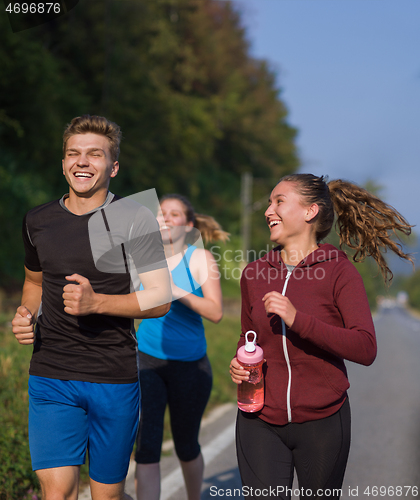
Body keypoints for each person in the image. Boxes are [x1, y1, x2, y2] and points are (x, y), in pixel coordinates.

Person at [11, 114, 172, 500]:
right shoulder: (38, 220)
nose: (82, 161)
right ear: (63, 162)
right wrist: (26, 315)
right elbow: (34, 282)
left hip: (112, 376)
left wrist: (96, 302)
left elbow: (161, 298)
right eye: (74, 153)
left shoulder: (135, 217)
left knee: (106, 495)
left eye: (95, 155)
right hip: (51, 374)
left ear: (113, 167)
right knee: (58, 493)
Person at [229, 173, 413, 500]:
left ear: (310, 212)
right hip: (259, 420)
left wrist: (298, 319)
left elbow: (365, 347)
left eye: (279, 201)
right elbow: (248, 339)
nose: (268, 210)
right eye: (270, 202)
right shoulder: (254, 274)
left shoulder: (338, 271)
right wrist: (239, 361)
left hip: (323, 423)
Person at [134, 194, 229, 500]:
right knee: (146, 446)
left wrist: (173, 289)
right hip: (147, 360)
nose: (165, 218)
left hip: (190, 366)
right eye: (161, 213)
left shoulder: (199, 259)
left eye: (174, 214)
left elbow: (215, 312)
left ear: (188, 226)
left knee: (186, 446)